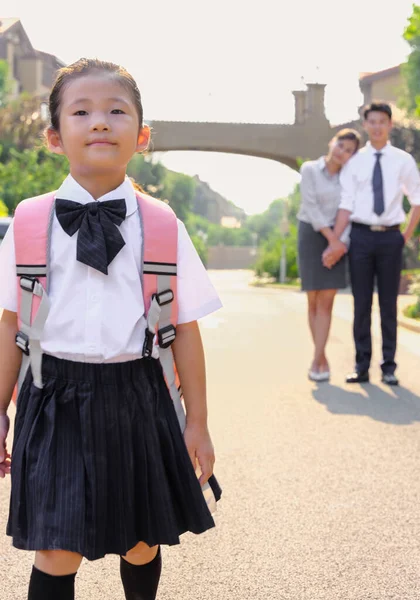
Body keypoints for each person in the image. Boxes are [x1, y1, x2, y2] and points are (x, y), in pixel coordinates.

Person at [0, 58, 222, 600]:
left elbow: (185, 329)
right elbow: (11, 323)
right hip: (51, 396)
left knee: (141, 541)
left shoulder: (164, 225)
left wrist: (198, 422)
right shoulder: (28, 221)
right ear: (55, 137)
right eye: (82, 111)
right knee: (56, 548)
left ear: (141, 136)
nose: (100, 122)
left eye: (116, 111)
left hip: (140, 395)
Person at [323, 101, 420, 386]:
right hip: (361, 237)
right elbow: (346, 203)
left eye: (383, 121)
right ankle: (361, 365)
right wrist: (336, 241)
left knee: (389, 304)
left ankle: (389, 366)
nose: (378, 126)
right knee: (362, 303)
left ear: (390, 125)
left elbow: (418, 201)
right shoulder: (355, 162)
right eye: (373, 121)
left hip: (391, 236)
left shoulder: (403, 161)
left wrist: (404, 236)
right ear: (365, 125)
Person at [297, 129, 360, 382]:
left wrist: (339, 244)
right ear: (332, 142)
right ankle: (321, 357)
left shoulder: (350, 178)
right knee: (312, 301)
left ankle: (316, 359)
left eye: (348, 150)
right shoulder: (310, 169)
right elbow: (310, 206)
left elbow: (351, 212)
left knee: (327, 303)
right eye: (340, 145)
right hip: (312, 235)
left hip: (339, 238)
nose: (341, 152)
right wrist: (331, 240)